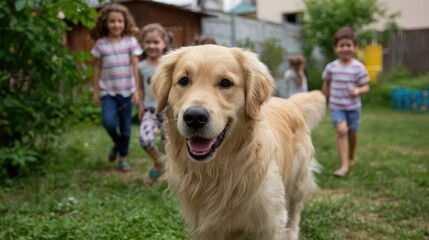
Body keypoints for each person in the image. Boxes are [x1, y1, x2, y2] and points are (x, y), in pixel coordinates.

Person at [90, 3, 142, 172]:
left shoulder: (130, 42)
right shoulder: (100, 44)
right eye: (112, 21)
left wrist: (137, 89)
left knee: (126, 128)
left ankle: (123, 158)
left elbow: (136, 67)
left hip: (127, 91)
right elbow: (97, 68)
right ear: (105, 23)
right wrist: (96, 91)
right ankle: (118, 144)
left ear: (125, 23)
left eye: (120, 21)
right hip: (108, 92)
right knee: (109, 123)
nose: (116, 25)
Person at [321, 27, 370, 177]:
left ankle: (351, 156)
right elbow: (327, 84)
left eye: (349, 45)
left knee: (352, 134)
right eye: (341, 45)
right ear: (335, 48)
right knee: (342, 131)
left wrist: (358, 91)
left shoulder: (359, 68)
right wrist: (324, 98)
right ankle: (344, 166)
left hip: (353, 107)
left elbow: (366, 86)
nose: (345, 48)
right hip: (337, 106)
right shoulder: (331, 67)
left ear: (355, 47)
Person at [138, 23, 169, 183]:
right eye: (148, 42)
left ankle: (171, 172)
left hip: (168, 111)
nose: (152, 45)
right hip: (150, 110)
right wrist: (140, 105)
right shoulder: (141, 66)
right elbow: (140, 89)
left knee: (169, 144)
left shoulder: (169, 64)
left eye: (156, 42)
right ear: (142, 44)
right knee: (145, 139)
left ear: (164, 43)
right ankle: (159, 162)